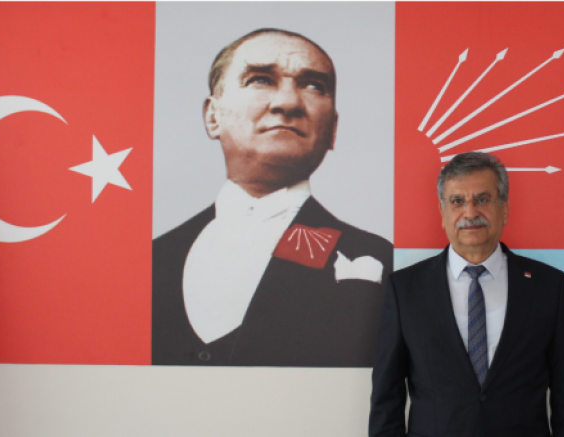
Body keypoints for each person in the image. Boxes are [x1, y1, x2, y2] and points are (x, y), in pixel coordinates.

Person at [152, 28, 393, 367]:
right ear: (213, 116)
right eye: (260, 80)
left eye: (313, 86)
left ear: (333, 129)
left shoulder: (378, 258)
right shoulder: (154, 258)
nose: (288, 103)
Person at [370, 152, 564, 436]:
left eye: (482, 200)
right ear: (442, 212)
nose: (470, 213)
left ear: (504, 209)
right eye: (457, 201)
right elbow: (387, 399)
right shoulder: (405, 289)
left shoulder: (547, 286)